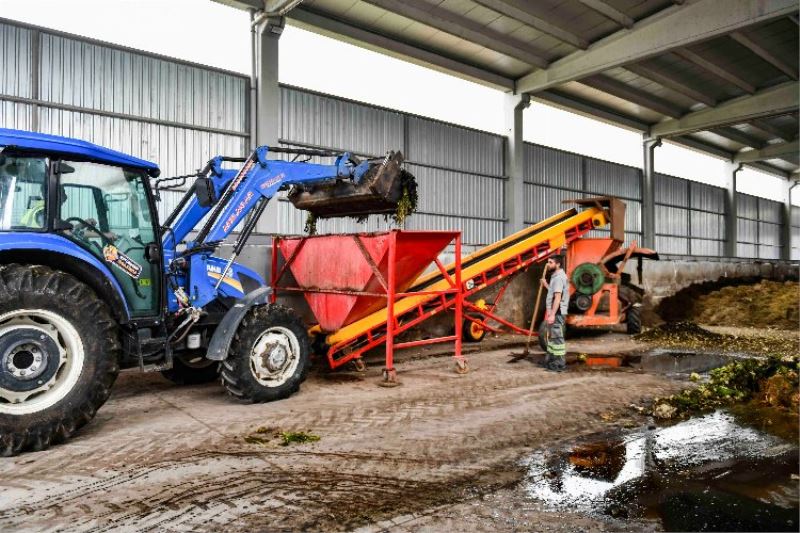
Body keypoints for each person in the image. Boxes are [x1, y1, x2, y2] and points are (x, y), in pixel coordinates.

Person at [540, 255, 569, 371]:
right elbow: (554, 292)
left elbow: (557, 297)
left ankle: (559, 364)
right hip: (555, 311)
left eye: (550, 262)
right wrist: (546, 284)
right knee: (552, 338)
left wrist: (552, 314)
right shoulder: (556, 276)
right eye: (548, 262)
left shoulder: (558, 278)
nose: (548, 265)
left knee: (557, 338)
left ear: (558, 264)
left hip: (557, 312)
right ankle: (551, 361)